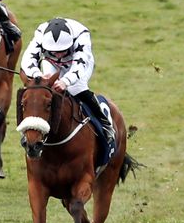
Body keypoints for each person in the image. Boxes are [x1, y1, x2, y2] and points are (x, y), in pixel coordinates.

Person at [21, 17, 116, 145]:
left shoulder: (82, 36)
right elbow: (27, 61)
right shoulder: (40, 34)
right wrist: (38, 75)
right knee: (44, 90)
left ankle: (105, 125)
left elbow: (79, 66)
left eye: (62, 51)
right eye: (55, 51)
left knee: (76, 89)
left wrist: (65, 81)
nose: (59, 55)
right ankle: (30, 130)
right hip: (50, 62)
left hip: (78, 63)